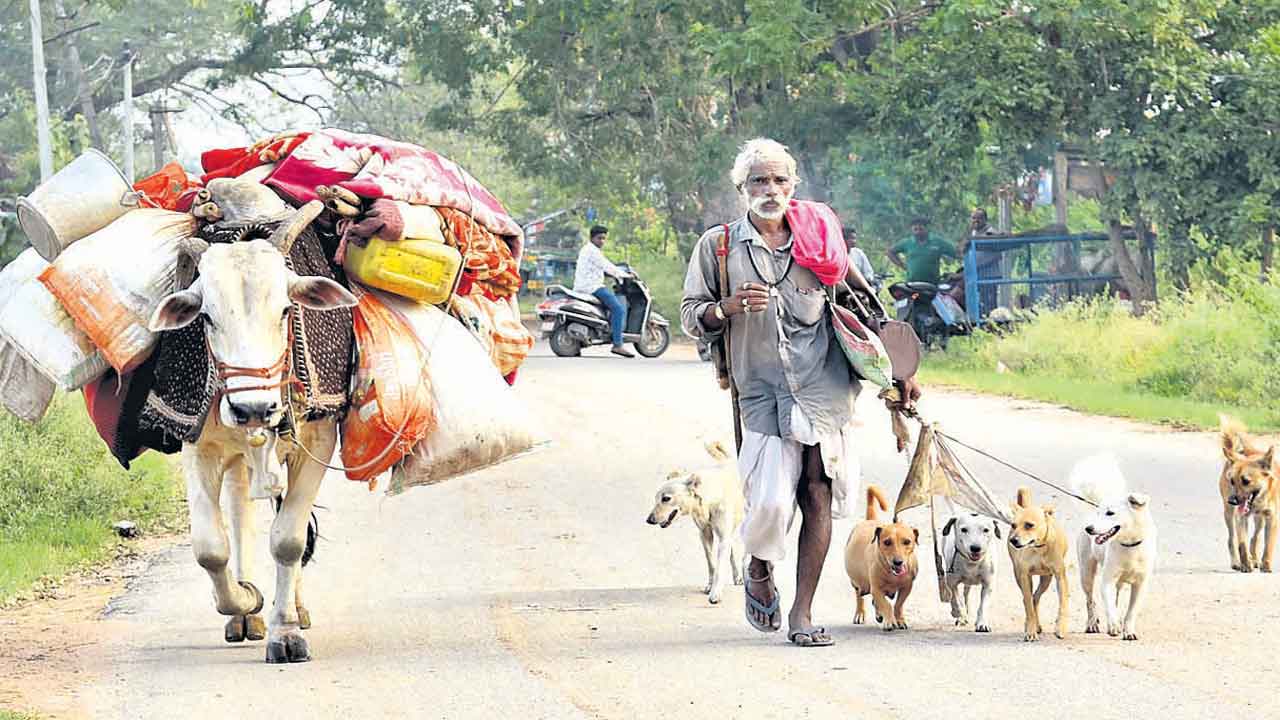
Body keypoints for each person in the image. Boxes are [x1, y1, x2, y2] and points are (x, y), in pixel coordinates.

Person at [681, 138, 921, 647]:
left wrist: (901, 372)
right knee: (768, 503)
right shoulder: (718, 247)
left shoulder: (819, 238)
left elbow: (866, 306)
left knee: (817, 493)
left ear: (793, 185)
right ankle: (759, 565)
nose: (770, 190)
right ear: (742, 189)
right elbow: (691, 315)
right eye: (759, 181)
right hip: (761, 393)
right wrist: (725, 308)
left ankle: (802, 613)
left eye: (779, 180)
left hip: (824, 388)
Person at [573, 224, 634, 358]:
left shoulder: (588, 250)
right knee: (618, 309)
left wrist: (612, 274)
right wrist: (625, 275)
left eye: (604, 239)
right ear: (592, 238)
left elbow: (600, 268)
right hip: (591, 287)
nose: (602, 241)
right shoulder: (592, 251)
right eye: (599, 238)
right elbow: (606, 266)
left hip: (584, 285)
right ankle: (618, 344)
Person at [886, 217, 959, 285]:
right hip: (912, 284)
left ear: (926, 229)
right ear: (912, 230)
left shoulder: (937, 241)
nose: (918, 232)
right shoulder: (907, 242)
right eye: (915, 229)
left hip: (933, 284)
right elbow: (890, 252)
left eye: (921, 229)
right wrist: (902, 265)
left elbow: (956, 253)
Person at [962, 208, 1004, 313]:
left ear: (985, 219)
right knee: (979, 303)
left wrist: (978, 264)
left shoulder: (991, 233)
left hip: (989, 275)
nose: (976, 220)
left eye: (979, 218)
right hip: (976, 275)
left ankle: (993, 320)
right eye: (973, 218)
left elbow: (997, 255)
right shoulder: (974, 233)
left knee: (990, 303)